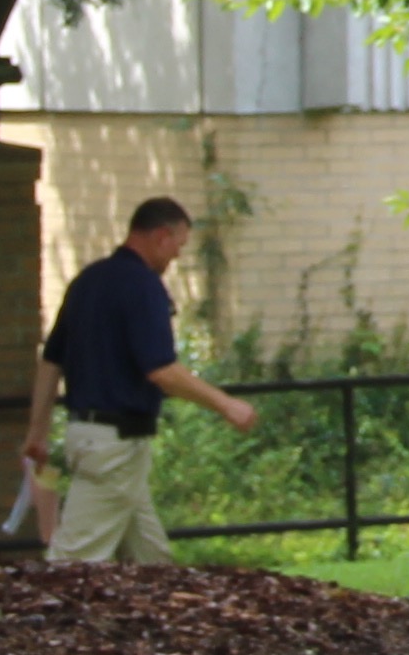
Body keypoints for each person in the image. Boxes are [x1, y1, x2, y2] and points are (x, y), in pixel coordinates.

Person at [24, 198, 256, 567]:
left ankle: (169, 616)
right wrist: (225, 404)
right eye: (178, 246)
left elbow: (51, 362)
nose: (176, 258)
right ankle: (38, 621)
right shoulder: (144, 287)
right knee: (73, 562)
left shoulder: (87, 282)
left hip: (86, 435)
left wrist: (37, 432)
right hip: (116, 446)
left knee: (151, 559)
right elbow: (161, 370)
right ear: (162, 236)